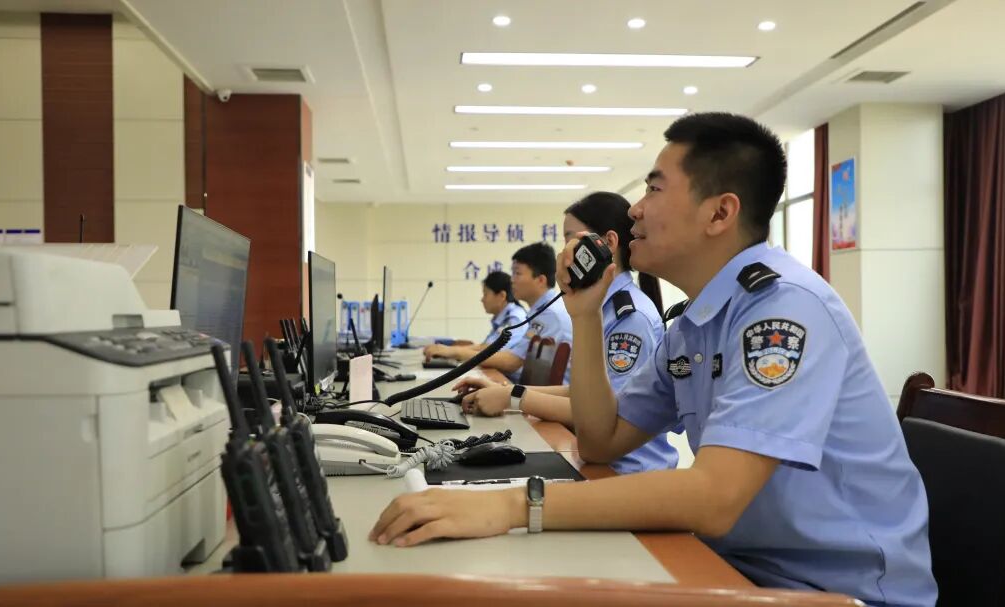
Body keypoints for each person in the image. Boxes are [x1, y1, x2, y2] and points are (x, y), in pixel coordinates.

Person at [369, 112, 936, 607]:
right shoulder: (691, 325)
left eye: (655, 189)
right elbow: (602, 440)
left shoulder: (785, 311)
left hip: (838, 591)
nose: (635, 210)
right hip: (739, 568)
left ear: (719, 213)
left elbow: (714, 498)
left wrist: (514, 506)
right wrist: (585, 316)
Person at [454, 191, 678, 475]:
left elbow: (605, 414)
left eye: (572, 239)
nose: (564, 252)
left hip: (627, 472)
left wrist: (514, 397)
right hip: (599, 460)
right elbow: (584, 393)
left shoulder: (630, 317)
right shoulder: (598, 307)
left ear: (607, 244)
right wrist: (504, 391)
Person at [466, 242, 573, 382]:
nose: (512, 280)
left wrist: (454, 353)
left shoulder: (551, 314)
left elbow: (512, 362)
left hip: (553, 393)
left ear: (540, 280)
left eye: (517, 273)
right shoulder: (543, 310)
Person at [423, 271, 527, 363]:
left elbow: (491, 352)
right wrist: (449, 351)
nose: (482, 299)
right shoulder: (503, 317)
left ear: (502, 296)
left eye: (485, 294)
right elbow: (484, 347)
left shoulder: (515, 318)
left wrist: (454, 352)